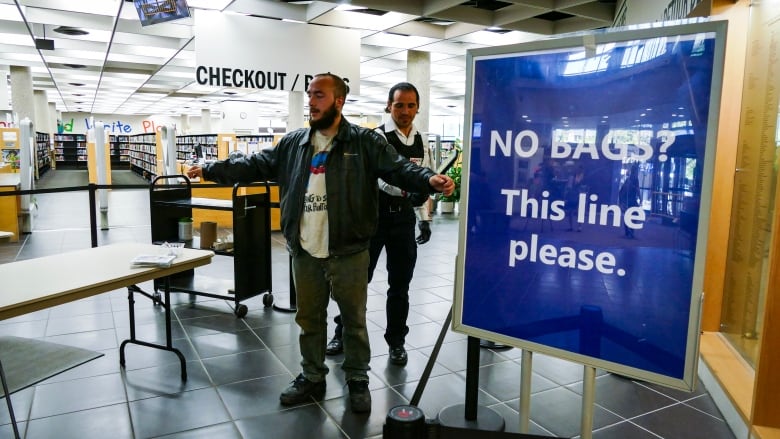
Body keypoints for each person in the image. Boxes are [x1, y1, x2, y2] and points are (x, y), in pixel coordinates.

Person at [186, 73, 454, 414]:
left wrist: (428, 179)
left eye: (320, 95)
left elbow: (398, 168)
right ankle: (312, 375)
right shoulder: (294, 143)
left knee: (353, 320)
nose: (311, 101)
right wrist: (210, 168)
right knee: (309, 319)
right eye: (310, 95)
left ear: (339, 101)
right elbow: (253, 164)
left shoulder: (364, 142)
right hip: (305, 248)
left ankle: (357, 379)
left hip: (349, 248)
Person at [325, 82, 432, 367]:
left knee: (400, 286)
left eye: (411, 105)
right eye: (399, 105)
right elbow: (381, 180)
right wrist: (409, 191)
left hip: (403, 223)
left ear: (417, 107)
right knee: (357, 284)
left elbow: (427, 176)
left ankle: (396, 342)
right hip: (372, 221)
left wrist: (425, 218)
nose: (405, 111)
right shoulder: (376, 138)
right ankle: (341, 333)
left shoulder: (422, 140)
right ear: (388, 106)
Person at [619, 164, 640, 238]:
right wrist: (640, 198)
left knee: (628, 215)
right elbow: (637, 189)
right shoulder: (634, 179)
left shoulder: (628, 179)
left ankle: (628, 232)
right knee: (633, 215)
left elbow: (622, 190)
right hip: (632, 200)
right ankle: (630, 232)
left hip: (628, 200)